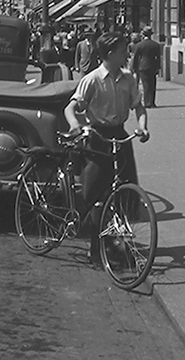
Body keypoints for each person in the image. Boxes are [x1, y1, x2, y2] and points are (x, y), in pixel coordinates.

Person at [64, 31, 150, 263]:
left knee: (124, 191)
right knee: (95, 194)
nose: (127, 54)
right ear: (110, 54)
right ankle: (95, 247)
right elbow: (71, 107)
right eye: (123, 51)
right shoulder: (91, 80)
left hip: (119, 136)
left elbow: (139, 107)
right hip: (97, 138)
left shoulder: (128, 79)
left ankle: (115, 243)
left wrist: (142, 127)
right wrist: (74, 124)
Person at [132, 26, 162, 108]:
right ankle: (152, 102)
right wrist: (158, 67)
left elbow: (135, 57)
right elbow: (158, 57)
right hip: (152, 66)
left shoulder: (139, 45)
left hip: (142, 66)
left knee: (146, 85)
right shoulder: (155, 45)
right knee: (152, 84)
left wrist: (134, 68)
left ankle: (147, 102)